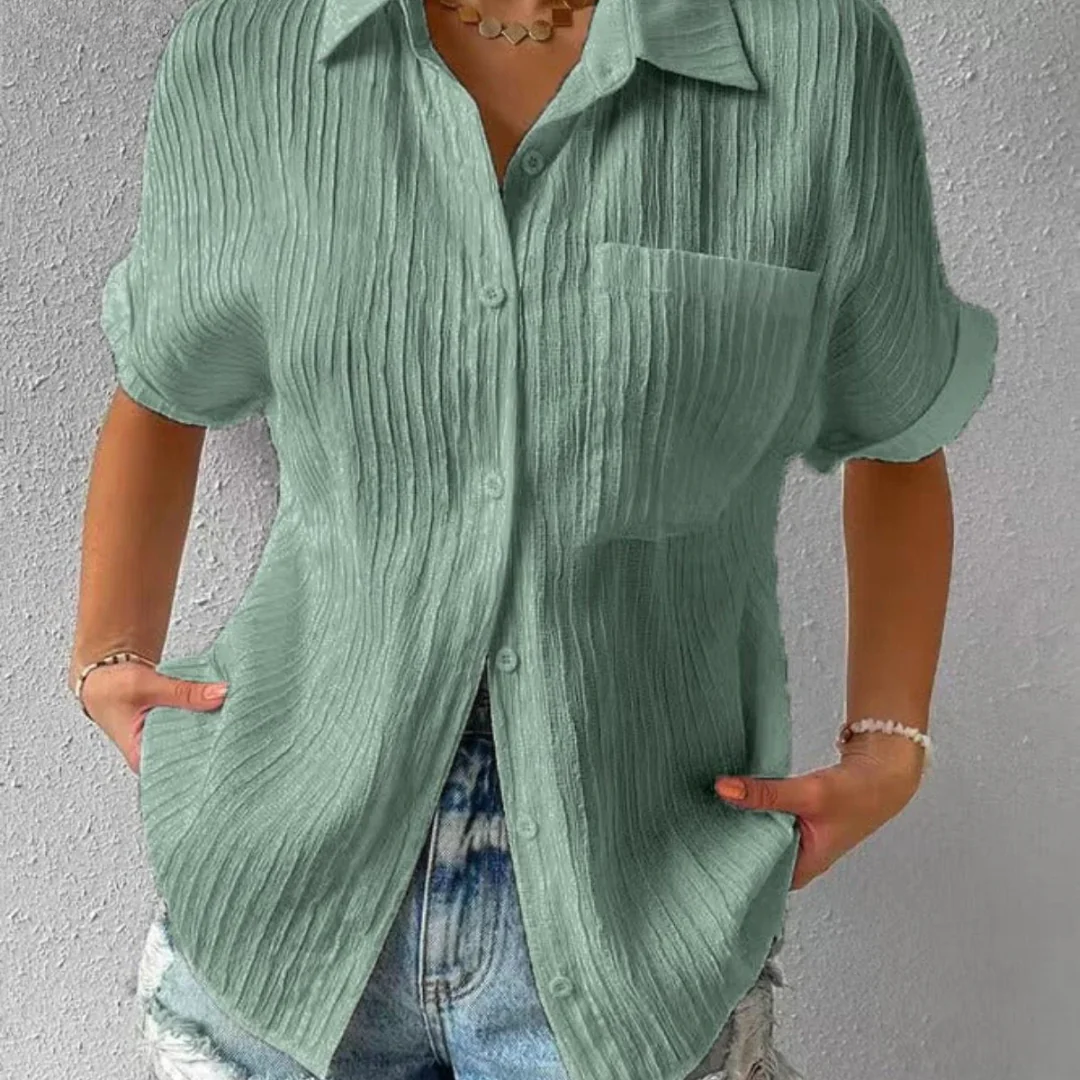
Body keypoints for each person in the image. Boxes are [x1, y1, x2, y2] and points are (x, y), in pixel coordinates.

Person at [69, 0, 997, 1077]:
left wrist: (890, 743)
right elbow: (164, 377)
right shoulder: (252, 48)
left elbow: (897, 427)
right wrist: (106, 653)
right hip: (281, 896)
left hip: (636, 918)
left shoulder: (816, 58)